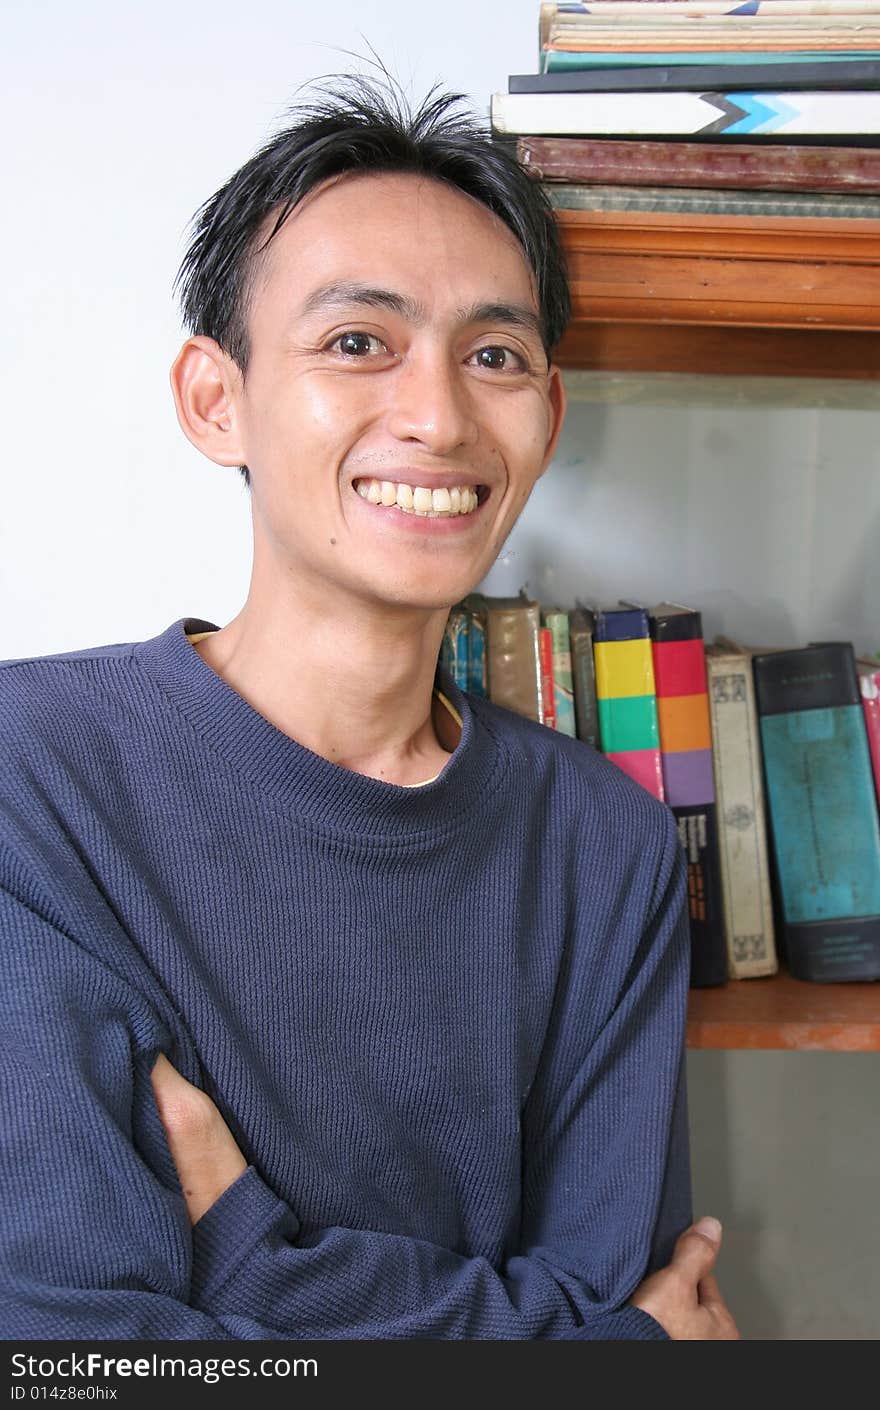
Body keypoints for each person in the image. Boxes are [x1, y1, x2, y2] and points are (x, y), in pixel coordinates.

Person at [0, 75, 737, 1341]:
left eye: (493, 356)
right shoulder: (31, 782)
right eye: (357, 342)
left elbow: (607, 1318)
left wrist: (255, 1264)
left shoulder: (603, 846)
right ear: (213, 400)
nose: (439, 416)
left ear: (548, 418)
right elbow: (79, 1363)